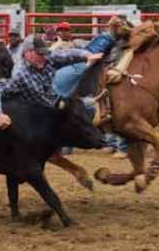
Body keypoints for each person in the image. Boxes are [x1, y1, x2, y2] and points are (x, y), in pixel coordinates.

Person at [52, 16, 132, 156]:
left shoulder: (83, 42)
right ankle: (110, 143)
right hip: (92, 75)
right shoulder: (106, 41)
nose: (63, 33)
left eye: (65, 30)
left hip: (92, 74)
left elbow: (91, 52)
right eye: (61, 30)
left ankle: (117, 144)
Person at [0, 34, 102, 130]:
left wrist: (86, 55)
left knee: (88, 109)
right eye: (39, 54)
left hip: (52, 104)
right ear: (28, 53)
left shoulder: (47, 58)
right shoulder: (19, 74)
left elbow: (67, 54)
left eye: (44, 53)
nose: (43, 57)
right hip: (33, 115)